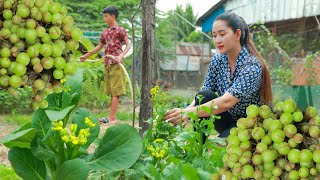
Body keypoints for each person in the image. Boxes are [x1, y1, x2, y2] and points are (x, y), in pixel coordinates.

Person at [163, 12, 272, 138]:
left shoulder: (252, 66)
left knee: (219, 150)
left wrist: (187, 112)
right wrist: (186, 112)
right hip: (228, 117)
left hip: (251, 124)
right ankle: (199, 148)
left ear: (237, 34)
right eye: (214, 35)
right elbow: (206, 89)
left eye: (222, 34)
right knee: (204, 95)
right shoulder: (219, 59)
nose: (217, 40)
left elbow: (227, 102)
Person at [80, 5, 131, 125]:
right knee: (111, 91)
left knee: (116, 91)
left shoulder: (120, 30)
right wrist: (86, 56)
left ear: (113, 16)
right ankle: (111, 116)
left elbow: (128, 45)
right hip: (107, 64)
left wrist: (121, 55)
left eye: (106, 16)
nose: (104, 19)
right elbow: (99, 47)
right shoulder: (105, 32)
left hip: (117, 64)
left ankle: (112, 117)